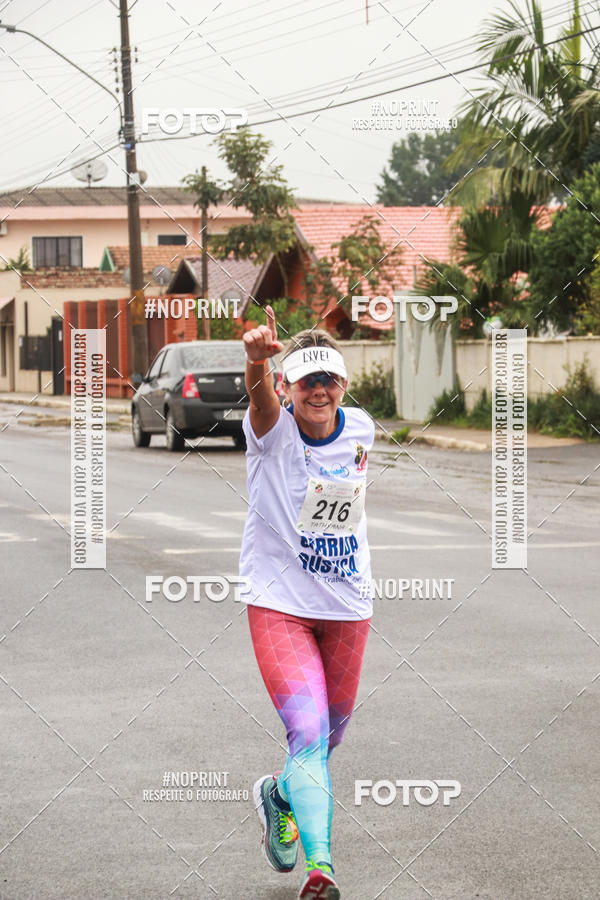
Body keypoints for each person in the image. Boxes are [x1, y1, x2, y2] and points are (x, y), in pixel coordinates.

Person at [238, 305, 375, 900]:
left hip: (347, 606)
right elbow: (260, 401)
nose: (319, 390)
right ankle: (322, 865)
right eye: (306, 380)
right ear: (288, 387)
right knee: (308, 734)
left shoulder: (362, 428)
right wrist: (255, 365)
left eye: (329, 379)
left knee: (331, 736)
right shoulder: (273, 430)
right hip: (279, 603)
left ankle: (279, 794)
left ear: (344, 384)